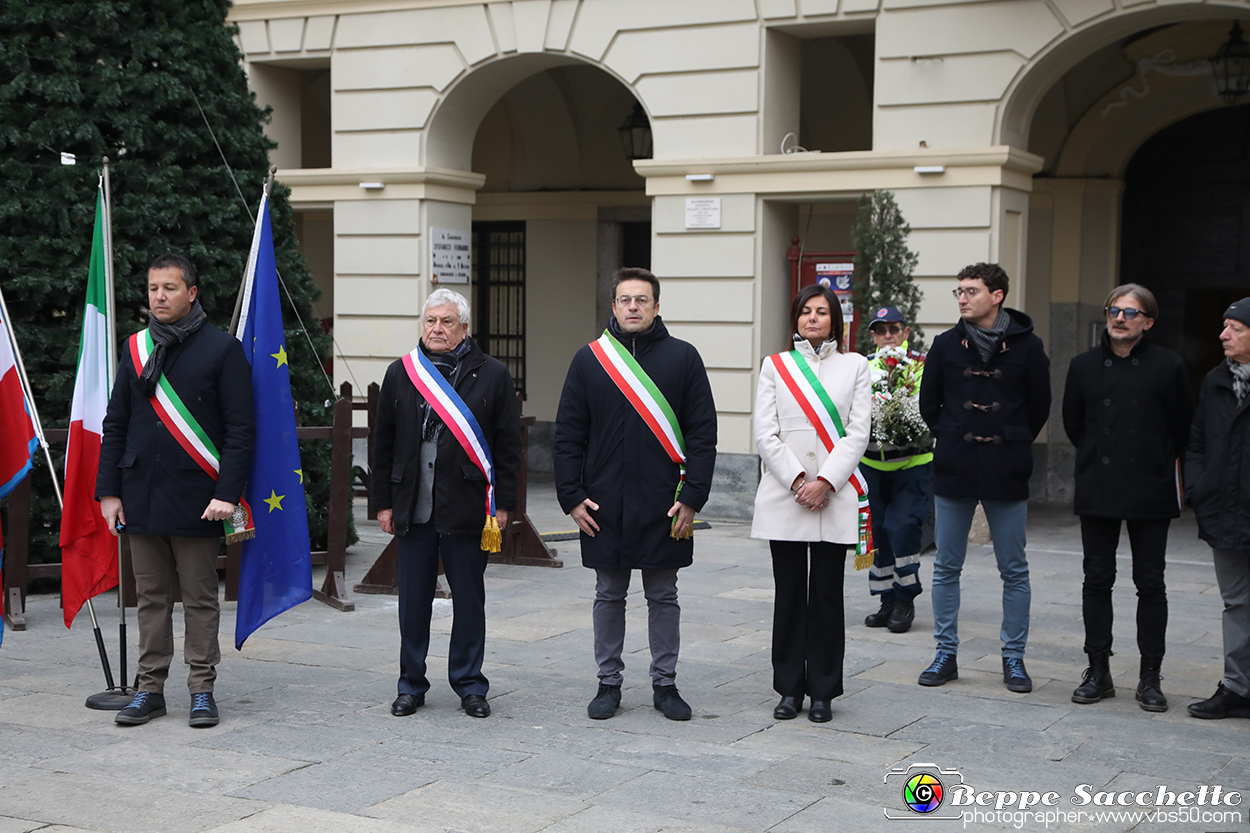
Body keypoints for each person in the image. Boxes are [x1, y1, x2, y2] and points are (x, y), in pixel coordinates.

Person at [98, 253, 255, 728]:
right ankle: (150, 690)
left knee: (201, 597)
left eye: (169, 288)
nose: (159, 297)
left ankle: (202, 689)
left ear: (192, 292)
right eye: (152, 289)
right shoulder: (136, 348)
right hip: (141, 491)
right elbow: (116, 423)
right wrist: (109, 491)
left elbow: (240, 429)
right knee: (150, 597)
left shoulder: (222, 349)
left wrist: (227, 493)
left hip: (200, 498)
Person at [554, 267, 717, 721]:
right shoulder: (589, 360)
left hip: (666, 501)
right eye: (625, 300)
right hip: (603, 502)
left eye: (642, 300)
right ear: (613, 306)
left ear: (657, 307)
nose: (633, 307)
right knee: (609, 592)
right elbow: (568, 435)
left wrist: (693, 496)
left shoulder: (684, 358)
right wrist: (571, 496)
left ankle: (665, 685)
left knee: (664, 593)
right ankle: (609, 683)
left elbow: (703, 434)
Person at [372, 288, 521, 719]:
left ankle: (470, 685)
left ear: (464, 328)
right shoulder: (401, 372)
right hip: (413, 504)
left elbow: (509, 447)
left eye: (446, 322)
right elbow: (381, 443)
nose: (437, 329)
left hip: (469, 505)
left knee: (469, 600)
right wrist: (383, 503)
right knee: (412, 601)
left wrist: (504, 504)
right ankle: (411, 685)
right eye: (431, 321)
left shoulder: (491, 374)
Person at [917, 262, 1050, 693]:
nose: (962, 298)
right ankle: (945, 654)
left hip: (1006, 468)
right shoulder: (944, 345)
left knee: (1014, 569)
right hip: (955, 466)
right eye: (959, 291)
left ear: (997, 296)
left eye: (971, 290)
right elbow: (928, 404)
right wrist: (954, 436)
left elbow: (1039, 407)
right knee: (945, 567)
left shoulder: (1029, 348)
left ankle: (1013, 658)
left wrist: (1010, 438)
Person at [1062, 285, 1193, 712]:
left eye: (1130, 313)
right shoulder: (1082, 366)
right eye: (1114, 311)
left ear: (1148, 322)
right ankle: (1097, 671)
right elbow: (1073, 424)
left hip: (1150, 486)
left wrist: (1153, 459)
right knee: (1097, 580)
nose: (1120, 318)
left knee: (1150, 583)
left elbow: (1182, 427)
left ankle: (1150, 678)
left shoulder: (1169, 366)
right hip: (1098, 486)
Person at [751, 285, 871, 723]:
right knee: (788, 595)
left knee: (825, 595)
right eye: (806, 312)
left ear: (835, 320)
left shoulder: (856, 365)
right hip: (787, 496)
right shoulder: (776, 365)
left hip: (834, 496)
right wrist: (800, 480)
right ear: (795, 319)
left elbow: (858, 432)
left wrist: (825, 482)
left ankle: (823, 691)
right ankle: (788, 689)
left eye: (822, 312)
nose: (813, 319)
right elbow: (766, 432)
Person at [1185, 297, 1250, 720]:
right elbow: (1197, 442)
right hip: (1226, 511)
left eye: (1235, 328)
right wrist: (1199, 488)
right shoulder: (1215, 380)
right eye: (1224, 326)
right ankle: (1237, 688)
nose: (1223, 335)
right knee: (1237, 602)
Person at [860, 306, 932, 634]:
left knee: (902, 527)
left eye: (894, 329)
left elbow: (928, 405)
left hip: (912, 465)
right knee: (878, 533)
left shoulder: (920, 364)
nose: (888, 335)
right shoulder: (864, 366)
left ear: (905, 332)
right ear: (873, 335)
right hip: (872, 465)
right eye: (881, 330)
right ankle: (886, 599)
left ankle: (906, 598)